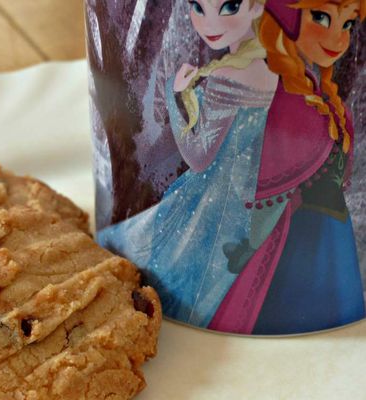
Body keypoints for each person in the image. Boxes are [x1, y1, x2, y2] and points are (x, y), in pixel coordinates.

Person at [97, 0, 279, 328]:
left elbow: (198, 157)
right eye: (198, 6)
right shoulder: (267, 67)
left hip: (208, 203)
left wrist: (174, 95)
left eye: (229, 7)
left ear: (256, 7)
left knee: (146, 271)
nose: (209, 23)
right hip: (243, 202)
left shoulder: (228, 73)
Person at [209, 0, 366, 334]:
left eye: (348, 24)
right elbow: (263, 176)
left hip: (331, 236)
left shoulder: (319, 92)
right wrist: (252, 239)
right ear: (286, 18)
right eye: (321, 18)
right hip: (293, 240)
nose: (338, 38)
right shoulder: (277, 96)